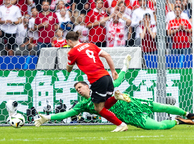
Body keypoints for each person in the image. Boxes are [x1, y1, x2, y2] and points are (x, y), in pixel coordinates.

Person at [35, 55, 194, 130]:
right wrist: (48, 117)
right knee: (158, 127)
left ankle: (188, 114)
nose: (78, 90)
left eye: (80, 87)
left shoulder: (101, 86)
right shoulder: (83, 105)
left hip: (132, 102)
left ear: (87, 86)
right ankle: (178, 121)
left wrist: (125, 66)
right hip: (128, 117)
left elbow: (118, 80)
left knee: (162, 107)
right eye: (76, 89)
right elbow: (66, 114)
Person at [65, 31, 130, 132]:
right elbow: (107, 55)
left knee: (98, 109)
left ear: (69, 41)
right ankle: (116, 97)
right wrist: (113, 71)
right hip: (107, 77)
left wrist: (69, 59)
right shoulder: (90, 45)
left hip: (97, 80)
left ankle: (121, 125)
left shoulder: (72, 52)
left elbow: (68, 70)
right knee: (104, 105)